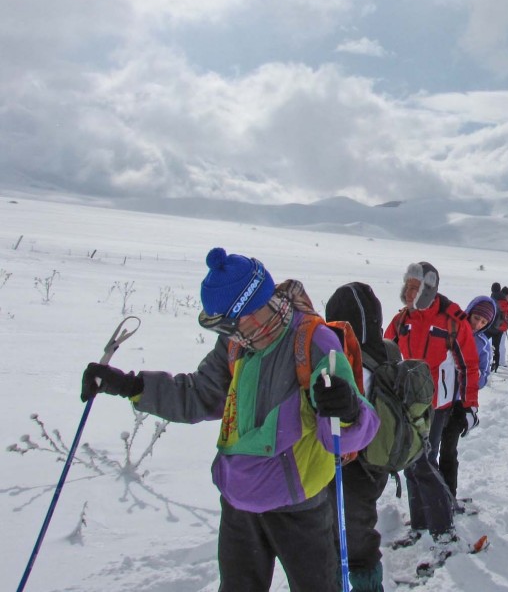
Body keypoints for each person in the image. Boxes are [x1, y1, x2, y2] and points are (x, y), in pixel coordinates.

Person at [80, 248, 380, 592]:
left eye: (226, 322)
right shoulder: (236, 345)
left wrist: (347, 411)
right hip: (239, 503)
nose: (226, 333)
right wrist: (131, 385)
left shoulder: (313, 340)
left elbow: (350, 434)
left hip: (298, 508)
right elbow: (198, 395)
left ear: (249, 309)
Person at [385, 261, 480, 544]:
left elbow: (469, 365)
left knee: (424, 460)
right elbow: (385, 353)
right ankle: (421, 524)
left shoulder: (452, 320)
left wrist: (467, 406)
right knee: (410, 462)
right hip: (406, 405)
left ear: (429, 289)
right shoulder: (402, 319)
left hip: (437, 405)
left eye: (416, 287)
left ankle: (442, 523)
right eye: (408, 285)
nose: (409, 291)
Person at [324, 281, 391, 592]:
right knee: (360, 535)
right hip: (377, 462)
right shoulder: (388, 349)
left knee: (346, 543)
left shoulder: (344, 359)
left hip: (350, 467)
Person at [438, 295, 495, 508]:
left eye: (483, 322)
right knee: (429, 451)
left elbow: (483, 378)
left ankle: (448, 497)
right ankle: (432, 498)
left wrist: (471, 372)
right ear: (469, 312)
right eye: (476, 318)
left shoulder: (482, 344)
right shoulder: (448, 331)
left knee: (449, 452)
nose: (478, 324)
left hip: (459, 405)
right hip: (438, 400)